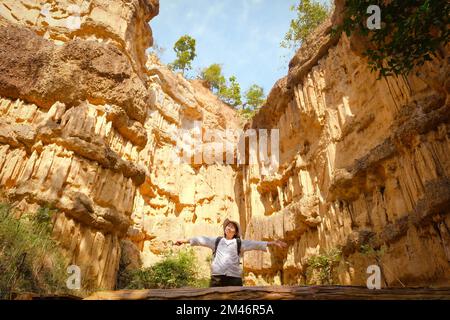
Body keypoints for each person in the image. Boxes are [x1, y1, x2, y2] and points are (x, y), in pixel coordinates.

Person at [174, 218, 287, 287]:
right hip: (217, 278)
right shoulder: (216, 241)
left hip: (234, 278)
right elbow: (200, 240)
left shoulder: (239, 243)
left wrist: (274, 243)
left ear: (235, 232)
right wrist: (183, 241)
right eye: (227, 226)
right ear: (225, 230)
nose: (229, 227)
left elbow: (255, 244)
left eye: (232, 227)